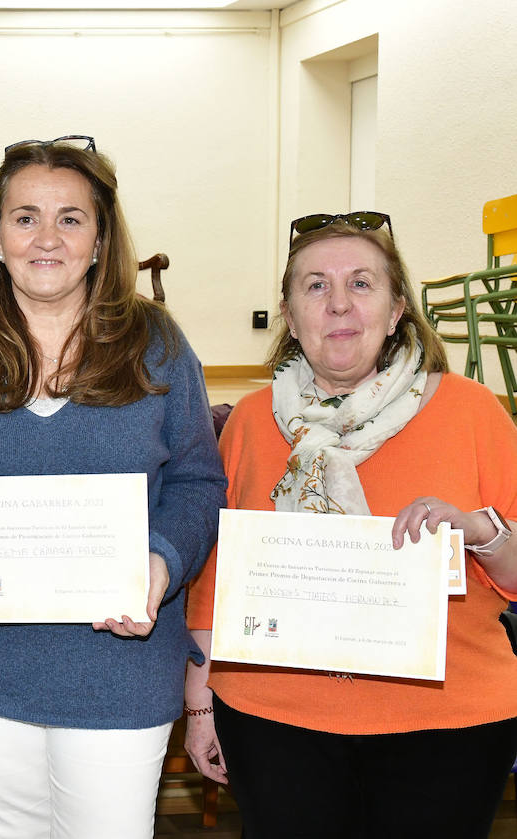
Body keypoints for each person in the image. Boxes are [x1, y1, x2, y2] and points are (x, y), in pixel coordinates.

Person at [0, 137, 225, 839]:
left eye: (71, 218)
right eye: (25, 217)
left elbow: (197, 480)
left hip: (121, 664)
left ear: (101, 239)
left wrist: (161, 564)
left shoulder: (158, 345)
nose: (47, 237)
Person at [183, 211, 517, 839]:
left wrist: (482, 531)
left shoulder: (472, 411)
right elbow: (214, 581)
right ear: (289, 312)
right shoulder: (252, 423)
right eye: (315, 286)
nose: (338, 304)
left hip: (449, 723)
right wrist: (199, 705)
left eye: (361, 284)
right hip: (272, 719)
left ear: (396, 311)